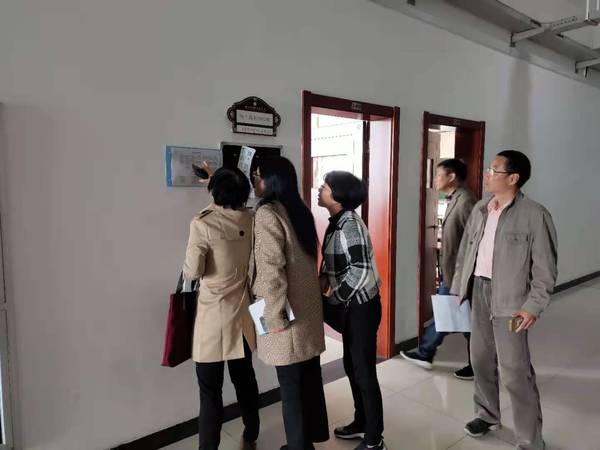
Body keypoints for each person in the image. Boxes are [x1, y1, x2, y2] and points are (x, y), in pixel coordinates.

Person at [452, 150, 557, 449]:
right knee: (480, 360)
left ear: (513, 178)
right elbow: (466, 252)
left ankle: (529, 438)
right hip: (479, 292)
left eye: (494, 170)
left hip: (512, 302)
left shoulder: (535, 215)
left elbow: (545, 268)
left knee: (515, 371)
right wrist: (460, 287)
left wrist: (532, 306)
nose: (487, 174)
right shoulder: (481, 208)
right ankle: (486, 415)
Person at [251, 157, 329, 450]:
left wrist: (273, 319)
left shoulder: (268, 214)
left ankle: (298, 445)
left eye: (257, 175)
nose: (254, 181)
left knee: (291, 389)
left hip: (286, 317)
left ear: (270, 180)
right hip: (307, 313)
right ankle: (306, 442)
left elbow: (271, 273)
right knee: (308, 382)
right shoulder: (298, 210)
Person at [182, 167, 260, 450]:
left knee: (210, 391)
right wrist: (218, 182)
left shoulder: (202, 223)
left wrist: (214, 187)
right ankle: (251, 431)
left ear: (214, 192)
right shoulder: (251, 218)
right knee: (245, 379)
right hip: (242, 314)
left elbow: (193, 271)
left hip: (212, 317)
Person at [318, 171, 386, 450]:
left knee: (363, 371)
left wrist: (337, 297)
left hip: (362, 308)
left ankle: (374, 438)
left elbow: (360, 270)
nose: (320, 188)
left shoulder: (350, 225)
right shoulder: (337, 221)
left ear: (338, 195)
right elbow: (336, 260)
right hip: (353, 306)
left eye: (325, 186)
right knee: (352, 366)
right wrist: (324, 277)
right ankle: (362, 422)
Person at [401, 159, 476, 380]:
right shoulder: (456, 199)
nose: (435, 179)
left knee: (453, 316)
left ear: (451, 177)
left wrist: (463, 276)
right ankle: (475, 362)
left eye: (438, 175)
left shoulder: (466, 202)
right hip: (452, 272)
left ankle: (427, 353)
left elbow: (475, 241)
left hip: (460, 274)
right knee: (462, 319)